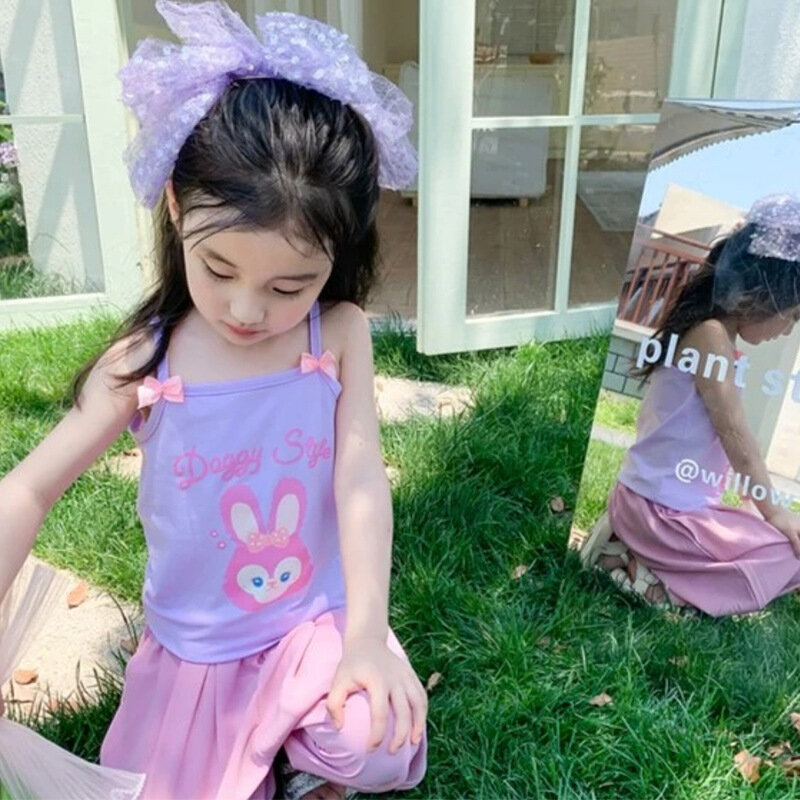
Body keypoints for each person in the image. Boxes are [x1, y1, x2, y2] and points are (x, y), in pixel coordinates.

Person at [0, 1, 427, 798]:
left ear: (338, 257)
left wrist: (366, 635)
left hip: (312, 625)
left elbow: (360, 479)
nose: (245, 309)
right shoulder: (148, 358)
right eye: (219, 269)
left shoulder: (337, 333)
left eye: (289, 285)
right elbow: (28, 487)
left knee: (376, 742)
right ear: (174, 207)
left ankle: (305, 758)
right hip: (197, 650)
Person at [580, 194, 800, 616]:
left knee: (787, 546)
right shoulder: (710, 336)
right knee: (785, 550)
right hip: (657, 514)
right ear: (764, 294)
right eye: (792, 315)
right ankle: (650, 578)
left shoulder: (717, 340)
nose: (788, 330)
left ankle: (641, 564)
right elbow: (734, 433)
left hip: (678, 510)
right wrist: (773, 512)